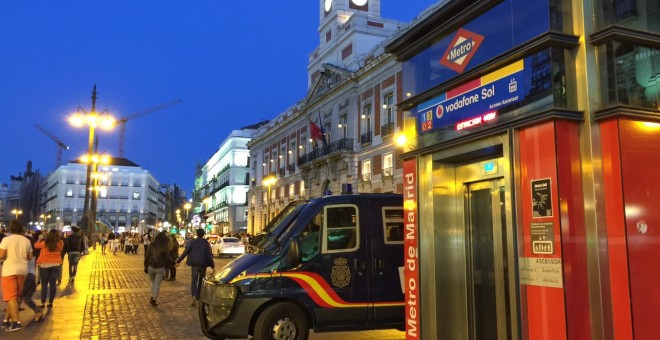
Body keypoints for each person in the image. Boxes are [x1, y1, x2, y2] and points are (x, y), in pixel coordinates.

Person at [0, 220, 33, 332]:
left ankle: (16, 322)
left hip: (9, 270)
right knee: (15, 297)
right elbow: (30, 257)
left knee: (10, 297)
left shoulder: (6, 240)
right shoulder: (26, 240)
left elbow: (2, 255)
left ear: (10, 228)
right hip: (22, 270)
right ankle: (6, 320)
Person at [176, 228, 215, 307]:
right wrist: (212, 266)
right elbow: (209, 255)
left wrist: (178, 261)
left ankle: (194, 295)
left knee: (194, 281)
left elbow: (185, 252)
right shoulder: (206, 243)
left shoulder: (192, 242)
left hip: (194, 264)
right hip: (203, 264)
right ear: (203, 234)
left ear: (197, 234)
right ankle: (198, 296)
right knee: (201, 281)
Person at [34, 229, 64, 309]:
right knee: (53, 284)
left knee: (44, 285)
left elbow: (35, 245)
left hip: (44, 265)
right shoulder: (60, 243)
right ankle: (50, 302)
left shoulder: (45, 243)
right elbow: (61, 249)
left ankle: (42, 302)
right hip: (56, 264)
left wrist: (40, 238)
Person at [144, 232, 174, 307]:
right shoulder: (164, 247)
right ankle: (154, 299)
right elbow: (168, 257)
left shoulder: (151, 245)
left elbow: (147, 256)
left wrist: (145, 265)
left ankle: (152, 296)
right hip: (160, 267)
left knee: (152, 282)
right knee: (157, 284)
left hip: (151, 266)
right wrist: (174, 263)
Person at [20, 233, 43, 323]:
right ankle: (37, 312)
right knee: (26, 298)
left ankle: (11, 319)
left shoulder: (23, 255)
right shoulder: (32, 254)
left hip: (25, 277)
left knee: (17, 298)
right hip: (31, 276)